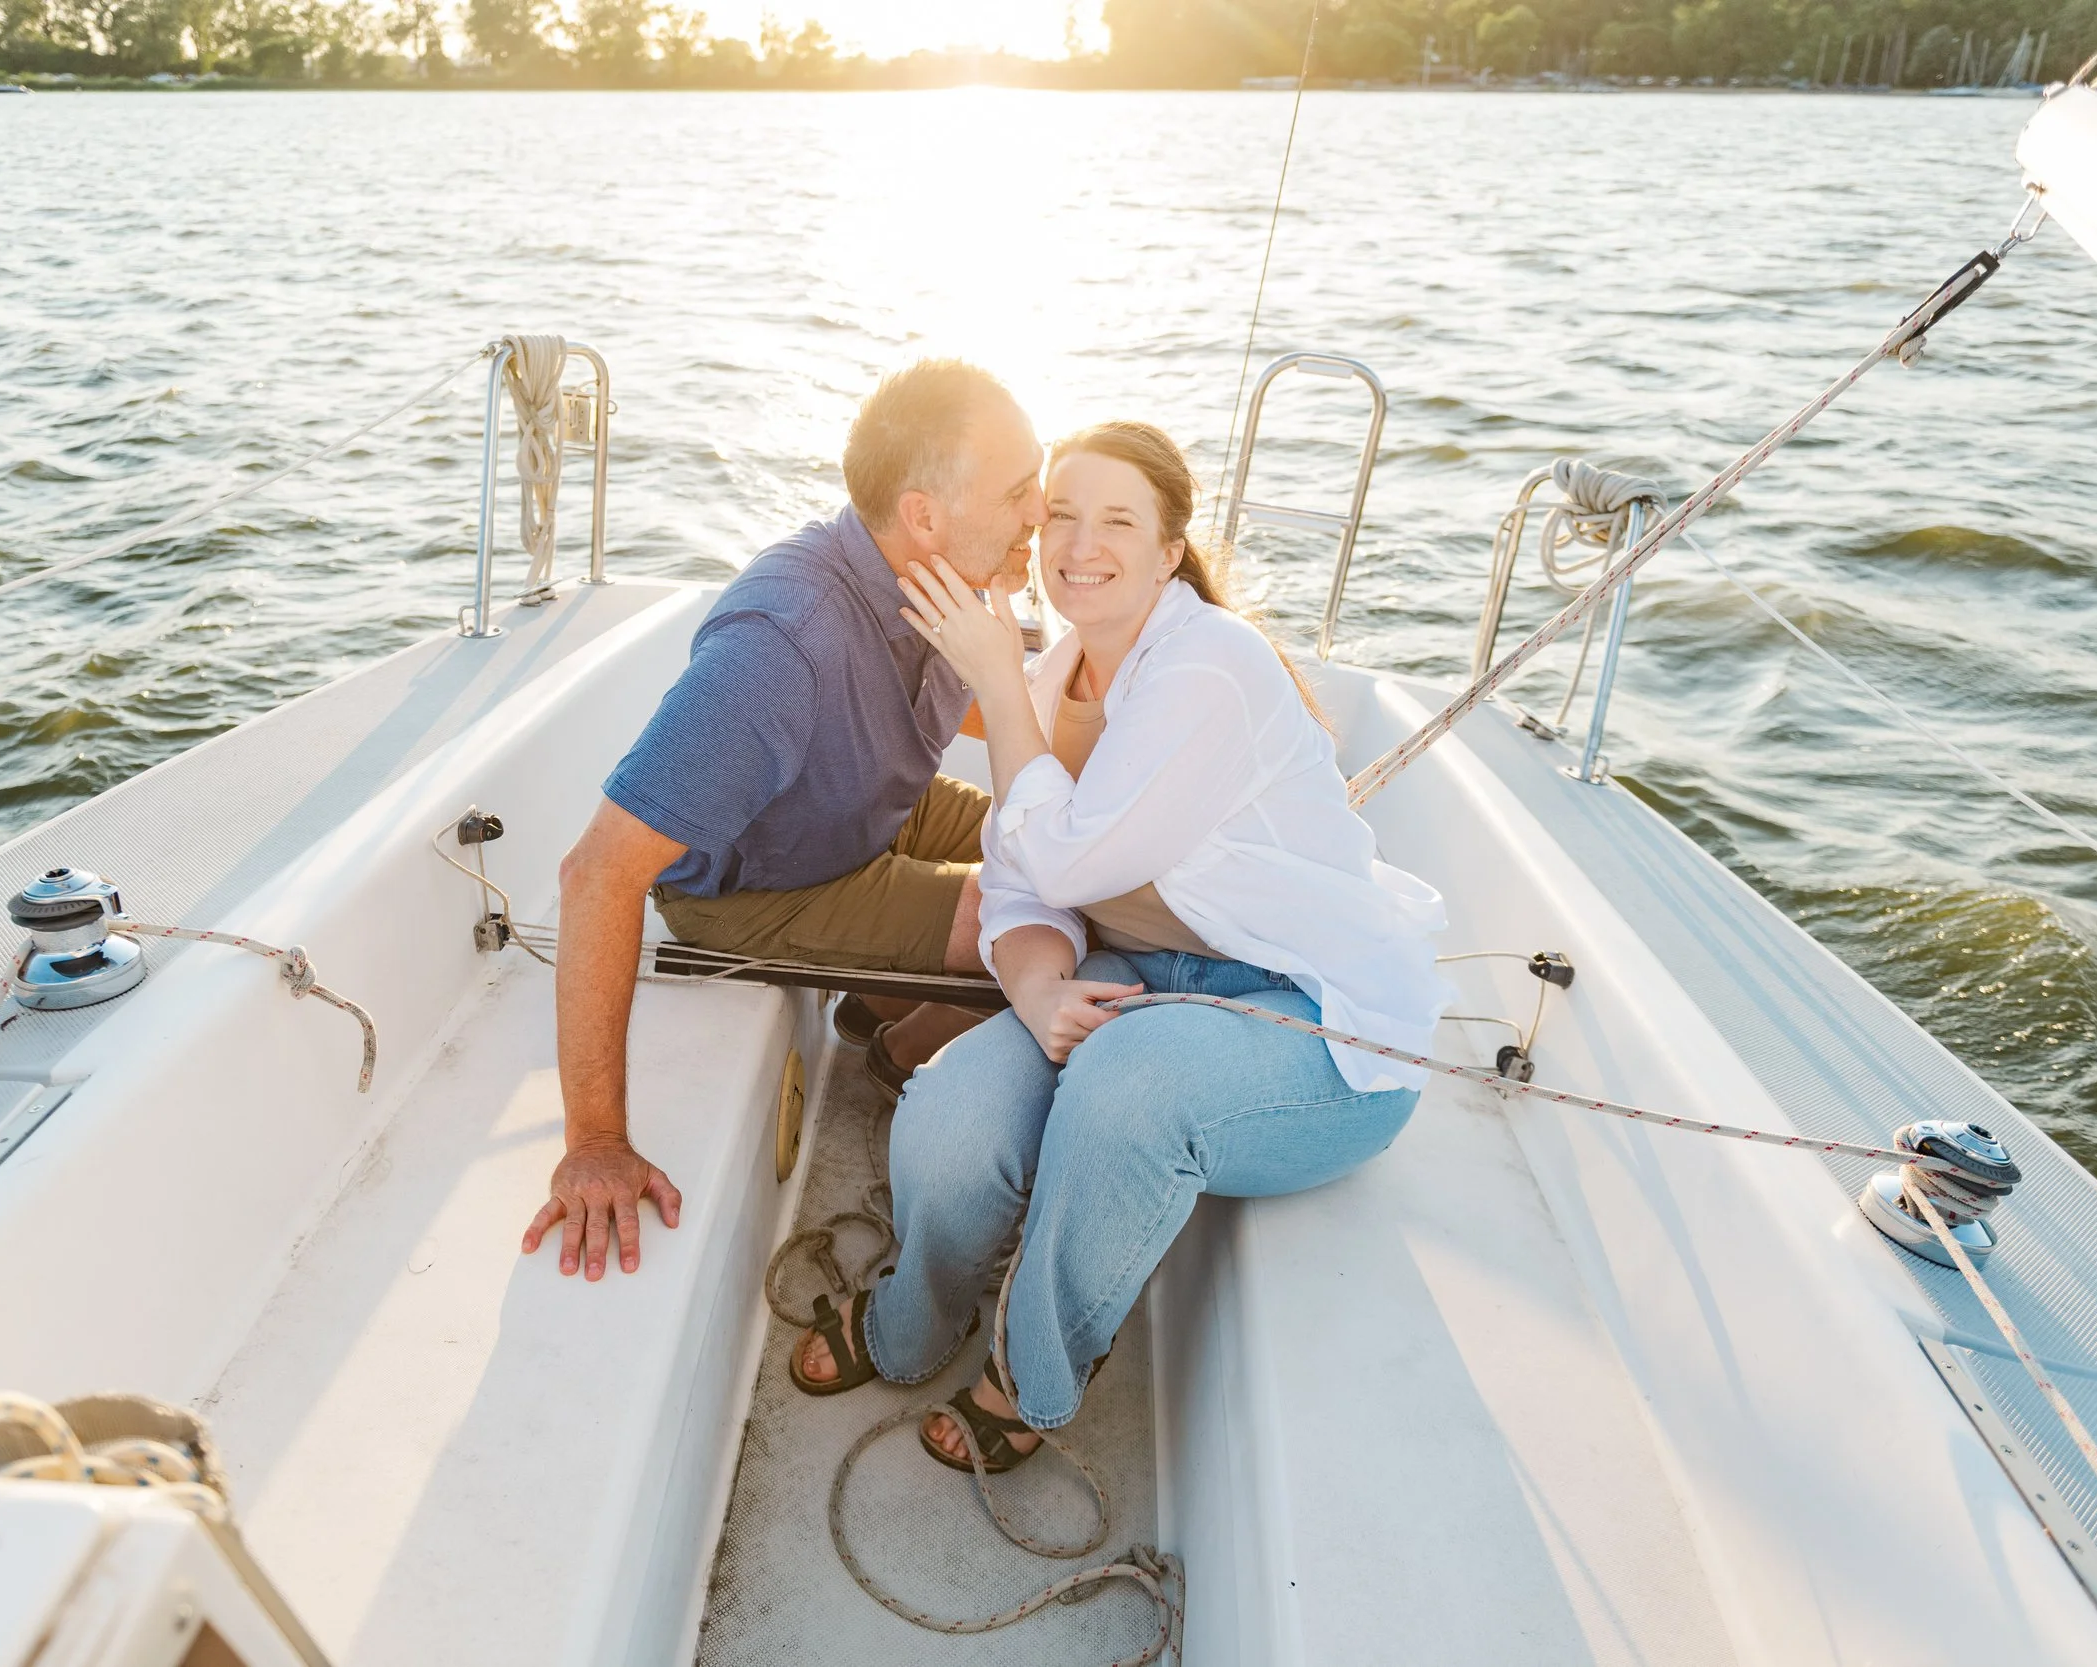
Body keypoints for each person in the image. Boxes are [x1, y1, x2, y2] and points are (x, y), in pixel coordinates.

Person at [788, 421, 1449, 1472]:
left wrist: (997, 685)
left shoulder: (1208, 667)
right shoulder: (1059, 677)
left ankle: (1034, 1376)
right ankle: (911, 1319)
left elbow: (1066, 855)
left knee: (1124, 1085)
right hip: (1142, 982)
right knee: (953, 1116)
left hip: (1319, 1026)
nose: (1078, 543)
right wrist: (1043, 984)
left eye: (1117, 521)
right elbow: (1015, 888)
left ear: (1167, 549)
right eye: (1058, 514)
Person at [523, 359, 1046, 1284]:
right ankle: (900, 1050)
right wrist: (595, 1140)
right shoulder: (782, 647)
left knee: (1056, 841)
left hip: (872, 806)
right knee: (1036, 920)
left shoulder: (939, 576)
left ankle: (878, 1011)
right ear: (924, 515)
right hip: (763, 886)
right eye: (1019, 492)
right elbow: (597, 874)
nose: (1040, 513)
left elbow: (988, 709)